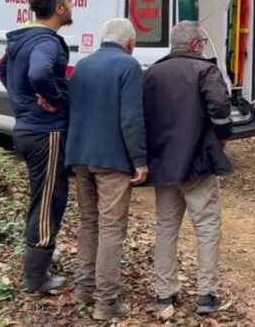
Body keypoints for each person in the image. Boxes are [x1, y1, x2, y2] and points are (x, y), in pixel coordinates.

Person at [142, 21, 232, 316]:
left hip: (164, 165)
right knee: (206, 227)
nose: (203, 49)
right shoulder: (206, 70)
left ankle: (163, 294)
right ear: (194, 45)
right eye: (202, 44)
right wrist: (222, 136)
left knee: (166, 227)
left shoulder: (153, 72)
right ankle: (206, 294)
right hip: (198, 163)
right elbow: (219, 107)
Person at [66, 19, 147, 321]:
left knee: (89, 223)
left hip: (79, 155)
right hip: (112, 159)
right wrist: (139, 160)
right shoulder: (128, 67)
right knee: (112, 229)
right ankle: (106, 302)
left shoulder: (83, 65)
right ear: (130, 43)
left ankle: (84, 288)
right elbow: (131, 118)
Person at [0, 0, 73, 294]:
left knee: (42, 196)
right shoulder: (46, 41)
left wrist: (24, 102)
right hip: (46, 131)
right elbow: (40, 73)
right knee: (48, 200)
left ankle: (41, 260)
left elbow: (2, 72)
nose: (71, 6)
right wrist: (50, 97)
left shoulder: (22, 38)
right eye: (68, 1)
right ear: (58, 7)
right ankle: (36, 278)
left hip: (28, 127)